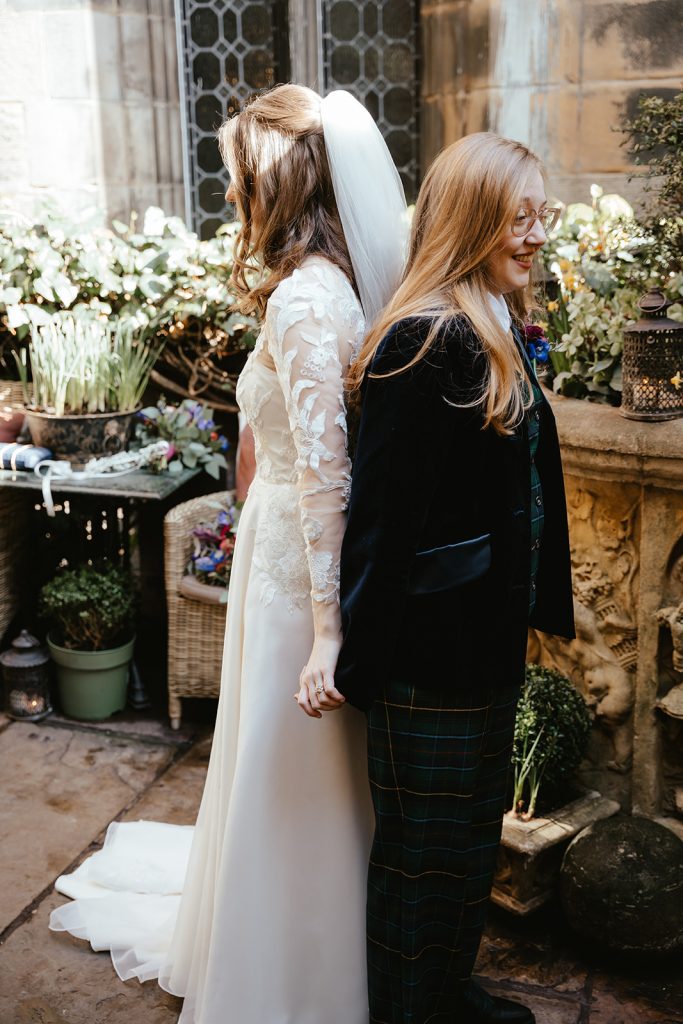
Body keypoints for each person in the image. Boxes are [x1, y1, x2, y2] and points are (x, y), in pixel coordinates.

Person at [48, 84, 407, 1024]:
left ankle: (285, 978)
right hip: (289, 552)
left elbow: (327, 477)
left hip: (299, 572)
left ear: (273, 188)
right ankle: (311, 956)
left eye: (238, 179)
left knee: (288, 770)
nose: (232, 198)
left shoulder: (299, 302)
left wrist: (328, 631)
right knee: (300, 772)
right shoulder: (337, 289)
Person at [332, 132, 575, 1024]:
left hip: (481, 643)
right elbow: (383, 526)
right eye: (518, 217)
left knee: (468, 846)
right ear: (471, 220)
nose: (535, 234)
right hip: (428, 656)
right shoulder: (422, 341)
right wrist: (357, 663)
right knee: (420, 860)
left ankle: (444, 994)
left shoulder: (488, 323)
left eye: (539, 215)